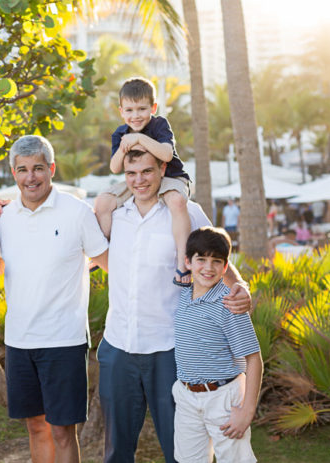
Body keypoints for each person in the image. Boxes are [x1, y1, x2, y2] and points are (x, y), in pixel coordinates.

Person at [97, 148, 252, 463]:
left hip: (171, 351)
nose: (139, 181)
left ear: (163, 169)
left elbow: (216, 256)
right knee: (116, 450)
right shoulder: (114, 213)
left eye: (147, 172)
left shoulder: (185, 211)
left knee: (180, 450)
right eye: (131, 173)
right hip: (118, 347)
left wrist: (241, 287)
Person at [0, 135, 109, 463]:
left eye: (38, 168)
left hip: (64, 340)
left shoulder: (78, 213)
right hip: (19, 341)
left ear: (52, 169)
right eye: (23, 169)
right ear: (13, 173)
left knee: (62, 430)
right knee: (35, 427)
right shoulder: (5, 219)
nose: (31, 177)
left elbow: (109, 262)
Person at [173, 226, 263, 463]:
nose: (208, 267)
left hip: (223, 397)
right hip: (187, 396)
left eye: (216, 261)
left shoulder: (229, 304)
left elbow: (254, 359)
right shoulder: (182, 294)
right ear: (188, 262)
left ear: (225, 267)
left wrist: (247, 412)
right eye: (201, 259)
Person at [94, 76, 193, 287]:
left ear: (153, 107)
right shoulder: (120, 133)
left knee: (177, 202)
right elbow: (115, 167)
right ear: (121, 111)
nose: (135, 116)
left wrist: (139, 139)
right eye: (129, 110)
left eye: (141, 109)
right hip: (138, 181)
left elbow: (166, 154)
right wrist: (124, 145)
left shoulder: (159, 125)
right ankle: (103, 251)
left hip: (170, 177)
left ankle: (184, 261)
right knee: (102, 202)